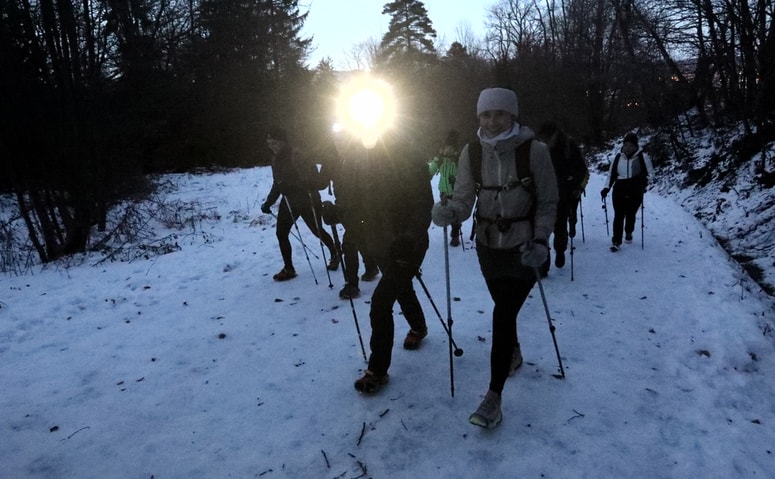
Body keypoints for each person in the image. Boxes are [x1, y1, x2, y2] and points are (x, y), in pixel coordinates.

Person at [431, 87, 558, 428]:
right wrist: (450, 213)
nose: (492, 121)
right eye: (485, 115)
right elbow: (463, 198)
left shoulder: (535, 151)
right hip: (488, 247)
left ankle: (493, 397)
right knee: (505, 309)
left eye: (500, 114)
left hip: (525, 248)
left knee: (503, 314)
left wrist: (542, 240)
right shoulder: (471, 152)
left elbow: (548, 201)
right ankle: (512, 352)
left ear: (512, 116)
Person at [332, 131, 433, 394]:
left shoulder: (409, 157)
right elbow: (358, 206)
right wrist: (338, 213)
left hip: (408, 244)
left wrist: (409, 237)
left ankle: (377, 369)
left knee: (380, 302)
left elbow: (424, 205)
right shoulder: (355, 159)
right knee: (401, 288)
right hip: (378, 241)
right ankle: (419, 327)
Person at [261, 127, 339, 281]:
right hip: (289, 201)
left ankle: (335, 253)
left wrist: (293, 184)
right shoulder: (275, 159)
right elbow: (277, 183)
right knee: (281, 233)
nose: (272, 145)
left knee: (317, 230)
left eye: (274, 141)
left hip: (307, 199)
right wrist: (269, 202)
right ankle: (289, 269)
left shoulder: (298, 155)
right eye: (269, 142)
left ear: (283, 141)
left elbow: (314, 179)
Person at [327, 134, 381, 299]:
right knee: (361, 240)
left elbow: (366, 186)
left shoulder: (359, 157)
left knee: (349, 244)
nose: (339, 143)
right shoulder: (337, 159)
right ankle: (371, 267)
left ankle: (352, 284)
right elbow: (321, 181)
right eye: (336, 140)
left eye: (342, 139)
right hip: (347, 210)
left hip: (360, 210)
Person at [536, 121, 589, 271]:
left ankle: (560, 250)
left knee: (559, 225)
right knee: (542, 226)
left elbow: (580, 169)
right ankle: (544, 261)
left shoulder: (568, 146)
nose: (544, 141)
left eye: (545, 138)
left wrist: (575, 186)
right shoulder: (538, 148)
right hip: (543, 193)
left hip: (562, 193)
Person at [600, 132, 655, 251]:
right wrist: (606, 188)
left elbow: (651, 174)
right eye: (626, 145)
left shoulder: (642, 157)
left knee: (631, 214)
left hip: (635, 189)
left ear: (635, 146)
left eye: (631, 145)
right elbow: (611, 175)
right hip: (619, 188)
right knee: (618, 215)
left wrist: (644, 182)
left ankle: (629, 231)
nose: (628, 148)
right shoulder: (618, 158)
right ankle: (616, 241)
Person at [428, 129, 462, 246]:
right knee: (445, 212)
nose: (448, 150)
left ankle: (455, 234)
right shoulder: (441, 160)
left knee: (455, 214)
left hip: (456, 192)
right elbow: (430, 171)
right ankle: (447, 228)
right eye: (447, 147)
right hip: (443, 191)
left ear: (455, 149)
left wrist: (456, 177)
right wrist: (436, 161)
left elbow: (463, 176)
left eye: (451, 148)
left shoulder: (458, 161)